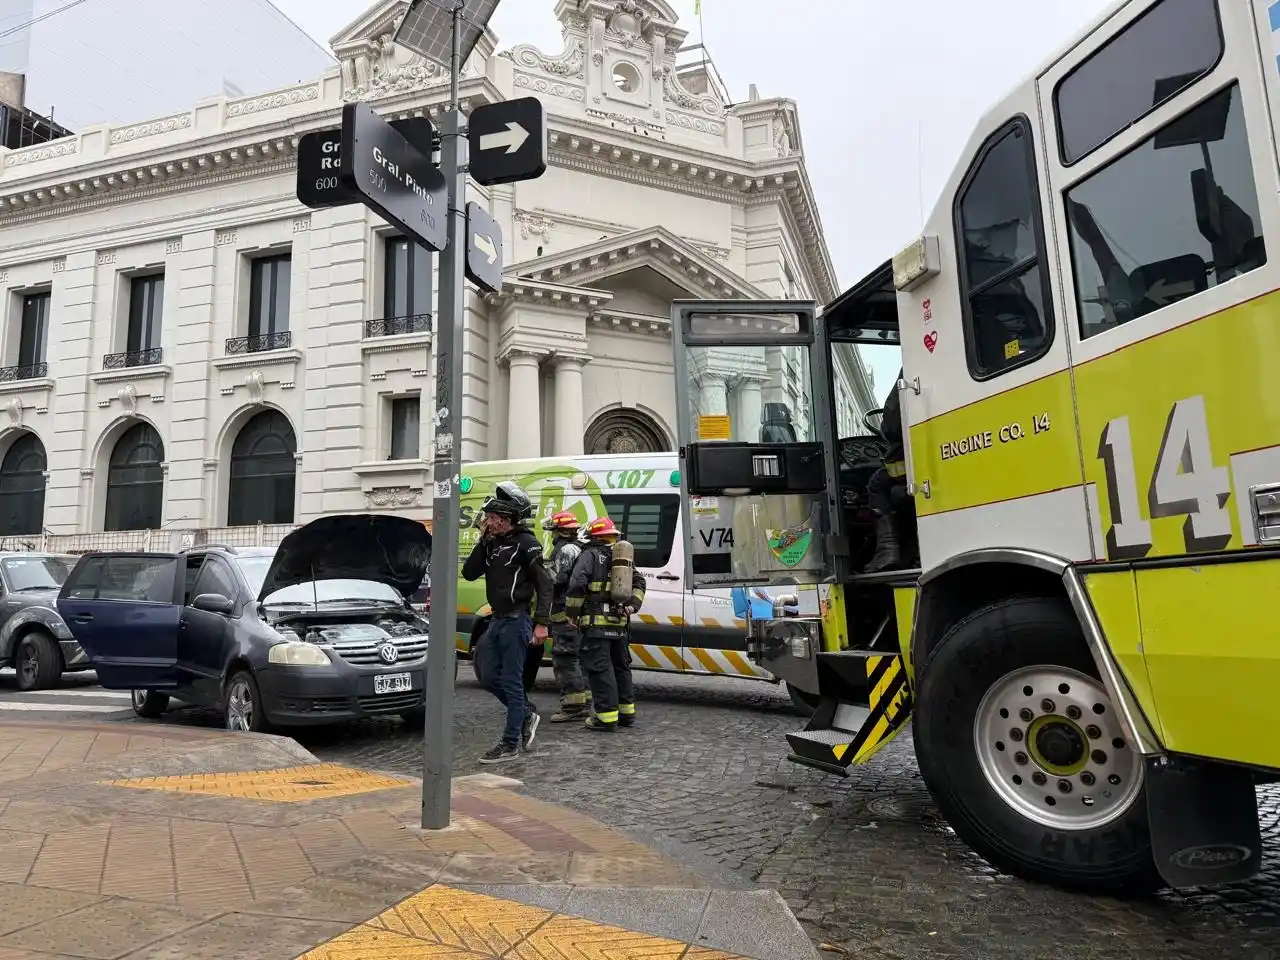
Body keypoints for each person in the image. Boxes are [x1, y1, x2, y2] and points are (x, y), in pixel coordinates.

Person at [461, 481, 554, 764]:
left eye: (491, 518)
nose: (487, 521)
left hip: (517, 621)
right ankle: (526, 714)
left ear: (506, 518)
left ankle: (511, 742)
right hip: (496, 621)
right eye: (488, 518)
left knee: (513, 683)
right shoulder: (492, 543)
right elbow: (469, 572)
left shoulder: (527, 543)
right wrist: (482, 540)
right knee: (488, 676)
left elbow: (545, 585)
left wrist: (541, 623)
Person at [565, 516, 646, 732]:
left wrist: (572, 613)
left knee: (600, 669)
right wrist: (632, 606)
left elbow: (577, 584)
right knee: (621, 667)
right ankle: (626, 714)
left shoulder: (589, 555)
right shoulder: (623, 559)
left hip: (595, 625)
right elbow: (640, 582)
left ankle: (606, 717)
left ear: (593, 536)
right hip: (620, 624)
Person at [541, 511, 590, 722]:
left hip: (564, 614)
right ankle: (584, 701)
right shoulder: (580, 547)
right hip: (578, 614)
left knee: (565, 659)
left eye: (552, 531)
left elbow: (559, 580)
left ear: (560, 531)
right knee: (579, 659)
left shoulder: (566, 550)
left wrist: (540, 572)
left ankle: (573, 707)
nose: (551, 535)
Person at [864, 369, 906, 574]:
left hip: (911, 465)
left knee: (876, 483)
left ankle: (887, 550)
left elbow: (891, 426)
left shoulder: (909, 371)